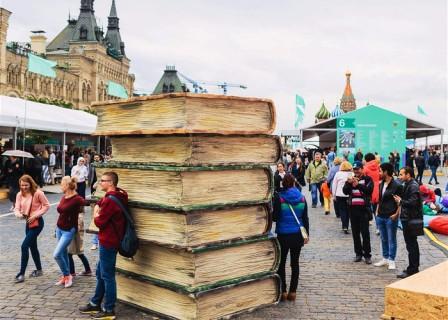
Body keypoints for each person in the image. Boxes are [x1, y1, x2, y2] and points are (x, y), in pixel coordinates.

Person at [79, 172, 127, 319]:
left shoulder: (110, 201)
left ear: (111, 183)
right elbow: (102, 202)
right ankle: (95, 304)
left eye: (103, 181)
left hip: (108, 241)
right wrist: (97, 207)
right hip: (111, 240)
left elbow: (99, 222)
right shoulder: (118, 194)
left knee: (107, 276)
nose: (100, 183)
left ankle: (109, 310)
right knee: (101, 273)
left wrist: (95, 215)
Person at [273, 174, 309, 302]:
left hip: (283, 235)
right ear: (294, 183)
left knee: (281, 263)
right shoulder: (302, 198)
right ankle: (293, 292)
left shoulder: (279, 198)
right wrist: (307, 234)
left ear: (283, 184)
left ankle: (283, 291)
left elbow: (275, 218)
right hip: (297, 235)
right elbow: (305, 218)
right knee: (295, 263)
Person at [13, 175, 50, 283]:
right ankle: (39, 270)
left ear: (31, 184)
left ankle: (21, 274)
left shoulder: (38, 193)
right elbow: (16, 208)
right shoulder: (19, 194)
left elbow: (46, 205)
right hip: (28, 222)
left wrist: (35, 215)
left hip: (37, 223)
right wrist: (18, 214)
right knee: (33, 246)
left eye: (26, 185)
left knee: (24, 246)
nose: (24, 187)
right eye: (22, 185)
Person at [53, 176, 86, 288]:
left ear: (67, 185)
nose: (60, 186)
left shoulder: (77, 198)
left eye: (62, 184)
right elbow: (61, 212)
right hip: (59, 228)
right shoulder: (64, 197)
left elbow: (86, 202)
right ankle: (65, 276)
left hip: (69, 230)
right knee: (63, 253)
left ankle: (68, 275)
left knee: (56, 254)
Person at [394, 167, 423, 278]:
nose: (399, 177)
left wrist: (400, 201)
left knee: (412, 245)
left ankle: (413, 269)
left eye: (401, 174)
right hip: (407, 218)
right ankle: (412, 267)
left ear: (408, 175)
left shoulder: (413, 186)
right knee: (410, 245)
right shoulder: (408, 185)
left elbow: (413, 202)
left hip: (411, 219)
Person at [343, 161, 374, 264]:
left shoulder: (368, 179)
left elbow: (369, 191)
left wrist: (358, 185)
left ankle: (367, 255)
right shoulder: (350, 180)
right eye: (354, 169)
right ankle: (358, 254)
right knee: (355, 233)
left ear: (362, 169)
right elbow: (345, 191)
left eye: (358, 169)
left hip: (364, 210)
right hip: (353, 209)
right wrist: (348, 183)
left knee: (365, 233)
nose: (356, 171)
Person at [374, 163, 403, 270]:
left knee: (392, 239)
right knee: (383, 238)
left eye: (380, 171)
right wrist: (377, 212)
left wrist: (396, 214)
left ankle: (391, 260)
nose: (379, 173)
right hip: (380, 216)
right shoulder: (381, 184)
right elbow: (380, 200)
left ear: (386, 172)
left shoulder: (397, 185)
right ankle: (385, 258)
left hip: (391, 216)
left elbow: (400, 202)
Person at [331, 161, 353, 233]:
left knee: (342, 210)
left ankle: (344, 226)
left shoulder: (338, 174)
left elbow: (334, 185)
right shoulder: (351, 174)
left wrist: (334, 195)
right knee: (349, 210)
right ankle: (348, 224)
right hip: (349, 195)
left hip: (339, 194)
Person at [363, 153, 381, 235]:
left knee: (366, 209)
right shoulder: (378, 167)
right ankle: (378, 228)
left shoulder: (365, 168)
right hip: (377, 189)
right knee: (376, 211)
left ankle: (366, 224)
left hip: (368, 190)